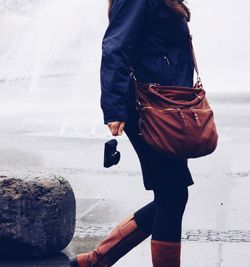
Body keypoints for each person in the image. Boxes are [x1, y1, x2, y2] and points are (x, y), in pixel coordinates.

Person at [70, 0, 195, 266]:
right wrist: (114, 108)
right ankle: (96, 260)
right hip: (148, 109)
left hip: (167, 106)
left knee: (170, 194)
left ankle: (95, 261)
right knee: (172, 194)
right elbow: (115, 46)